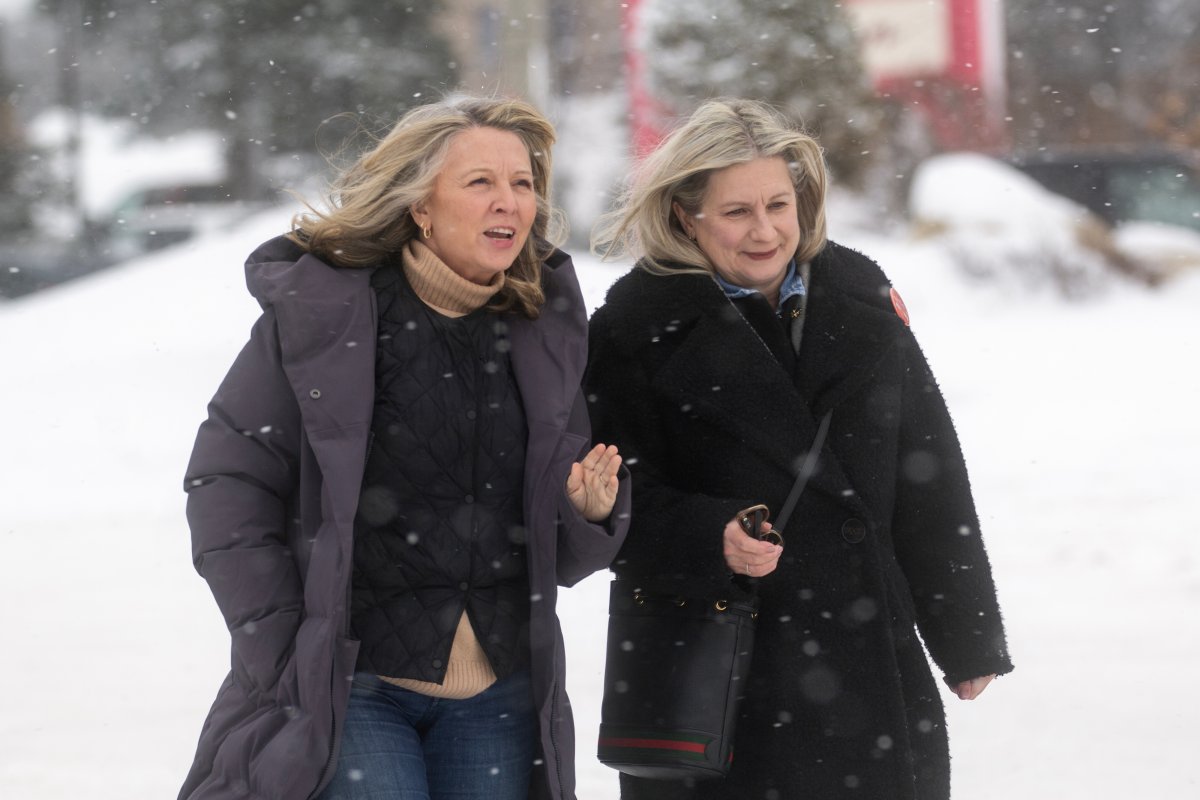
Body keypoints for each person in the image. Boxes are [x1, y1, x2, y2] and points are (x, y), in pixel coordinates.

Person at [179, 94, 630, 800]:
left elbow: (559, 557)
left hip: (501, 692)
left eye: (522, 183)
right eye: (480, 182)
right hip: (356, 686)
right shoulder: (326, 321)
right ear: (421, 205)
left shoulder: (545, 331)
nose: (508, 202)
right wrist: (281, 649)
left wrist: (586, 514)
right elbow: (227, 482)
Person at [584, 98, 1013, 800]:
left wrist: (964, 633)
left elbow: (928, 475)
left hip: (868, 660)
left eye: (778, 205)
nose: (766, 231)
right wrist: (709, 535)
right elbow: (612, 503)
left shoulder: (860, 296)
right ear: (685, 215)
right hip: (721, 679)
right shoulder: (636, 328)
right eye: (737, 212)